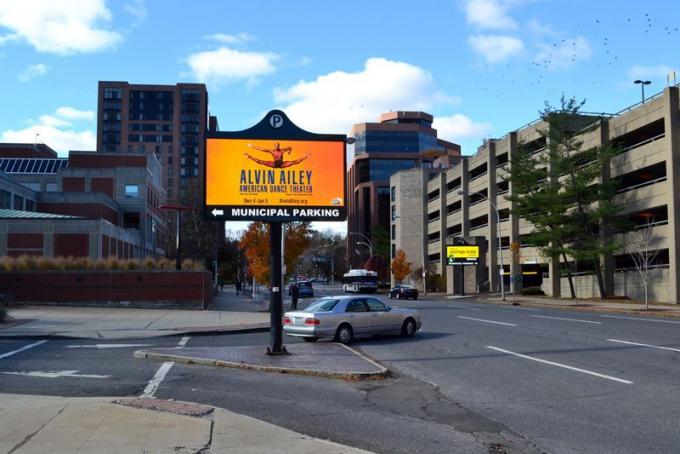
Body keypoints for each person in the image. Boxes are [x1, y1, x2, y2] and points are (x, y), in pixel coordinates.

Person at [244, 142, 311, 169]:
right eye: (276, 145)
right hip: (274, 164)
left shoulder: (282, 150)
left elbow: (290, 147)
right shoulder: (271, 151)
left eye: (278, 145)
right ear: (274, 146)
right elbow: (260, 149)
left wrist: (289, 152)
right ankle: (250, 157)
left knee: (295, 162)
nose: (277, 146)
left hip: (282, 164)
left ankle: (306, 156)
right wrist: (252, 146)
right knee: (261, 162)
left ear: (279, 146)